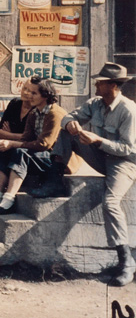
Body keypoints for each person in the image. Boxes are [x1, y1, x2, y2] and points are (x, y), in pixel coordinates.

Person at [31, 62, 136, 286]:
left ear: (113, 85)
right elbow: (68, 117)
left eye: (101, 82)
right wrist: (72, 125)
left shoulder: (128, 110)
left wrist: (98, 139)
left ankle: (126, 261)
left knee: (110, 202)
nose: (96, 84)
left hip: (124, 163)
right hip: (100, 157)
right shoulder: (95, 103)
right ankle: (55, 180)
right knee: (66, 132)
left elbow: (128, 149)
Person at [0, 79, 64, 214]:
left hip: (55, 158)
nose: (29, 96)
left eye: (34, 93)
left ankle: (9, 199)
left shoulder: (54, 114)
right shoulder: (34, 113)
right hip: (39, 154)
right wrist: (10, 144)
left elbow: (44, 144)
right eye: (29, 92)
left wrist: (12, 142)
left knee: (20, 152)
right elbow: (27, 138)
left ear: (45, 96)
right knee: (7, 151)